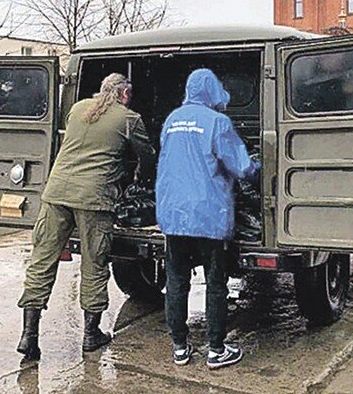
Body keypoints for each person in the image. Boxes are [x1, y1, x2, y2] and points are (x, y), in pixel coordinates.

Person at [16, 73, 154, 361]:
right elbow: (147, 156)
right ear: (125, 93)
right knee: (95, 263)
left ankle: (29, 336)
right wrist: (142, 174)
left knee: (41, 261)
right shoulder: (130, 119)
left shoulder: (77, 108)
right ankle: (91, 335)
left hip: (56, 193)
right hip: (94, 198)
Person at [155, 68, 260, 369]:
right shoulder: (218, 122)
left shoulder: (172, 120)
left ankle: (179, 348)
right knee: (216, 282)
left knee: (176, 281)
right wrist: (259, 169)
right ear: (212, 90)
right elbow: (241, 167)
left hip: (175, 214)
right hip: (208, 215)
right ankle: (216, 350)